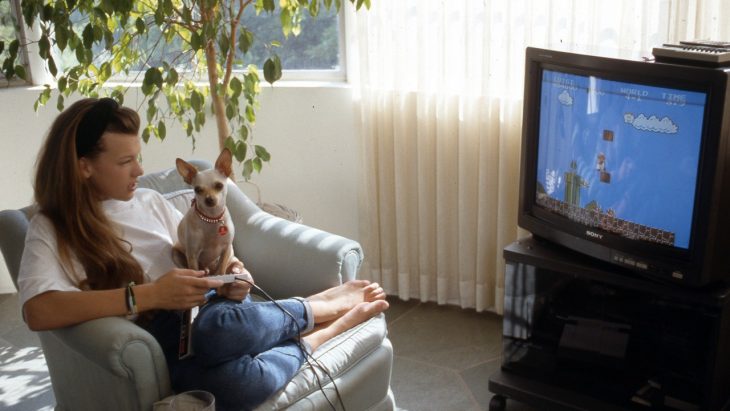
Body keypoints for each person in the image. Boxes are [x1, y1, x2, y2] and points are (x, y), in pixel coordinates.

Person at [17, 97, 389, 411]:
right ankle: (319, 332)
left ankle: (316, 307)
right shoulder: (52, 227)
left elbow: (201, 252)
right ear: (84, 166)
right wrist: (148, 295)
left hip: (211, 312)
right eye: (124, 162)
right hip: (164, 336)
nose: (140, 170)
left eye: (138, 157)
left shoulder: (148, 201)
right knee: (237, 388)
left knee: (214, 330)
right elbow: (39, 310)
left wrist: (232, 273)